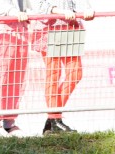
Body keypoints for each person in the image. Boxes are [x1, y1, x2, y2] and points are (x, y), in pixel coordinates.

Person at [32, 0, 94, 135]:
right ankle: (55, 119)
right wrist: (60, 11)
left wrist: (88, 10)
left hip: (70, 27)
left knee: (75, 73)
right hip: (49, 27)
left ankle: (53, 118)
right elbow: (38, 4)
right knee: (53, 74)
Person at [0, 0, 32, 136]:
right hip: (1, 34)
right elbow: (0, 6)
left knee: (16, 80)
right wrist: (14, 13)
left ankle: (9, 122)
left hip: (20, 34)